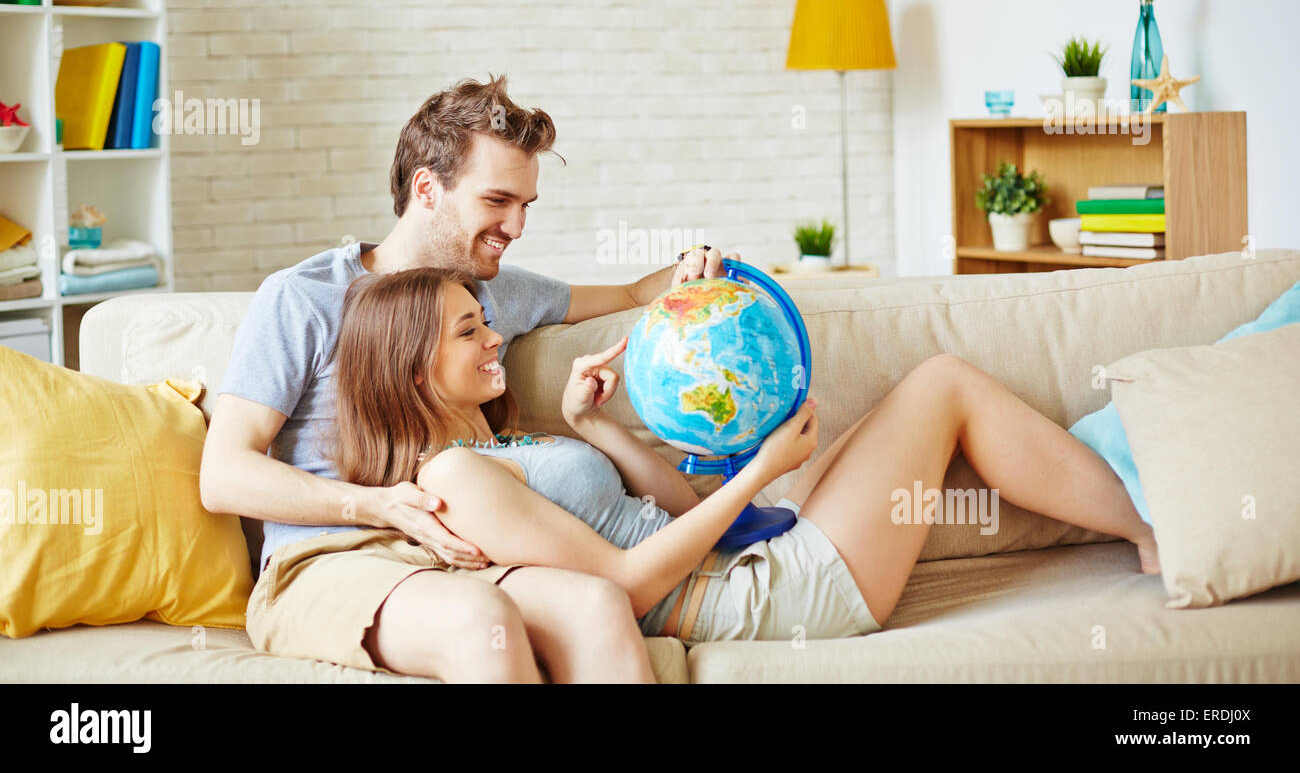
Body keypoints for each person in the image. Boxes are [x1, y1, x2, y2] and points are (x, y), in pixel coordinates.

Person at [199, 74, 734, 683]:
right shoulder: (306, 297)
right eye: (498, 201)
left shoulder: (493, 289)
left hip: (462, 555)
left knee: (595, 605)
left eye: (525, 206)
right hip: (334, 558)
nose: (517, 227)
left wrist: (694, 264)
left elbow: (636, 293)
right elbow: (223, 475)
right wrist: (380, 507)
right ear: (426, 188)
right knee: (479, 618)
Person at [333, 266, 1163, 648]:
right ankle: (1158, 527)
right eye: (469, 330)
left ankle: (1149, 522)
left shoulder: (498, 446)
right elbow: (624, 588)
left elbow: (678, 514)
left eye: (486, 320)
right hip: (756, 598)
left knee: (919, 397)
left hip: (748, 560)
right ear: (411, 365)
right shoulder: (450, 479)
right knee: (943, 386)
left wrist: (600, 433)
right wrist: (761, 473)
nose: (494, 338)